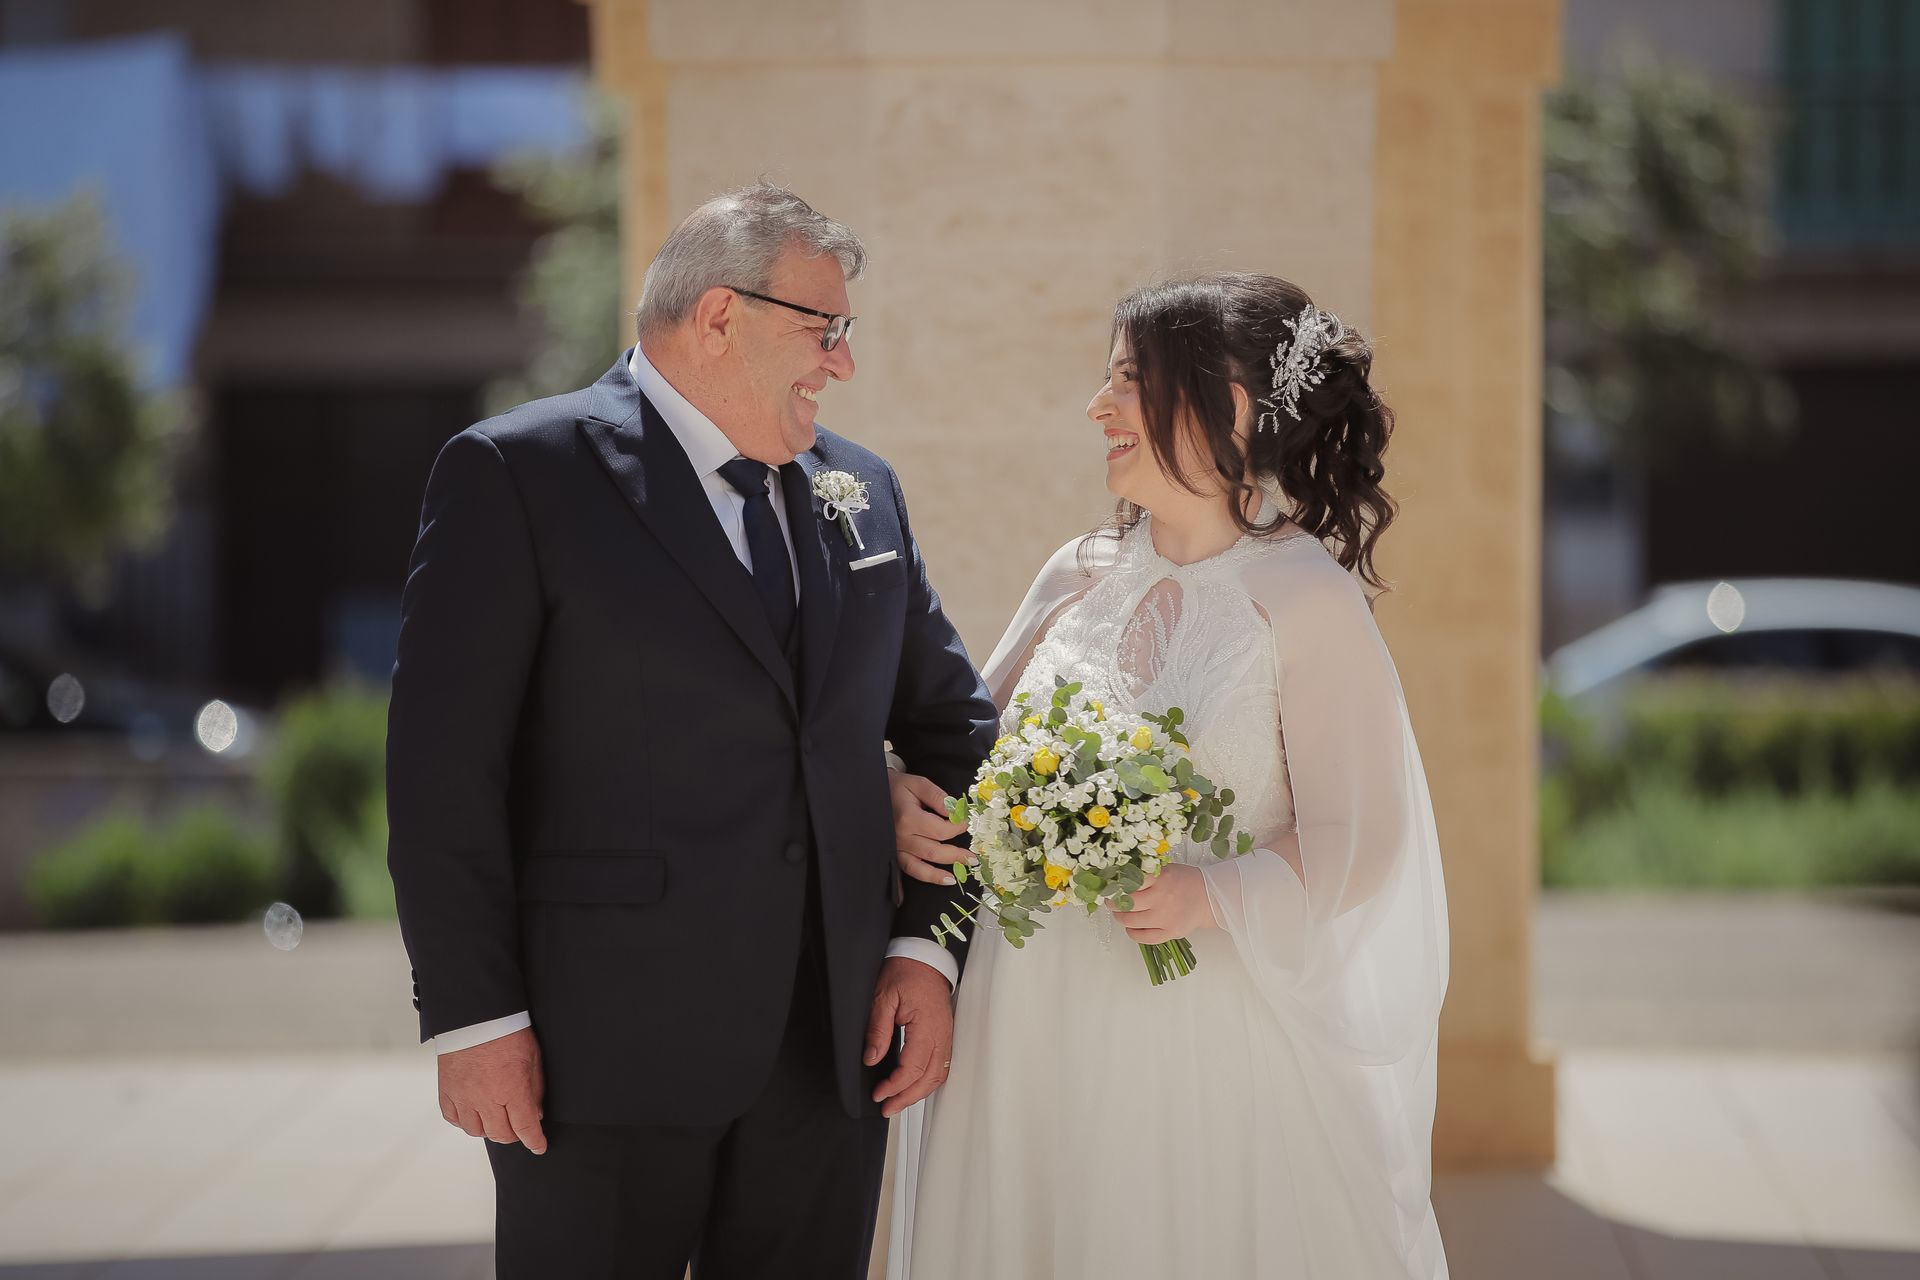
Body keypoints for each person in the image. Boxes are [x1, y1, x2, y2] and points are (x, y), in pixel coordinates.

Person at [386, 182, 997, 1280]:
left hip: (829, 1057)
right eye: (825, 328)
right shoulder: (518, 475)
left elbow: (957, 734)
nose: (844, 362)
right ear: (720, 316)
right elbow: (443, 775)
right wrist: (476, 1020)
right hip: (596, 1060)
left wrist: (924, 947)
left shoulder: (864, 490)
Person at [887, 273, 1451, 1278]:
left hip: (1197, 1035)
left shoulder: (1303, 597)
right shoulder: (1078, 569)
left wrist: (1210, 893)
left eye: (1127, 380)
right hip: (1029, 1020)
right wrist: (910, 797)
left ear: (1227, 405)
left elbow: (1364, 838)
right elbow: (970, 753)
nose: (1096, 407)